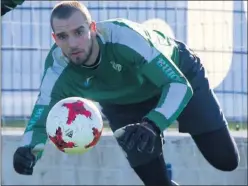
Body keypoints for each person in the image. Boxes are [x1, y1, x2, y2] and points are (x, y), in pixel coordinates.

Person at [13, 1, 240, 186]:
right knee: (156, 183)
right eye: (63, 37)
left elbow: (178, 84)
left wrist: (153, 123)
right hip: (121, 103)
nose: (72, 44)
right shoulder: (57, 67)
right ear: (55, 39)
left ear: (92, 28)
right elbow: (42, 115)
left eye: (79, 32)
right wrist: (27, 150)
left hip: (178, 76)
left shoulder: (125, 38)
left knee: (226, 160)